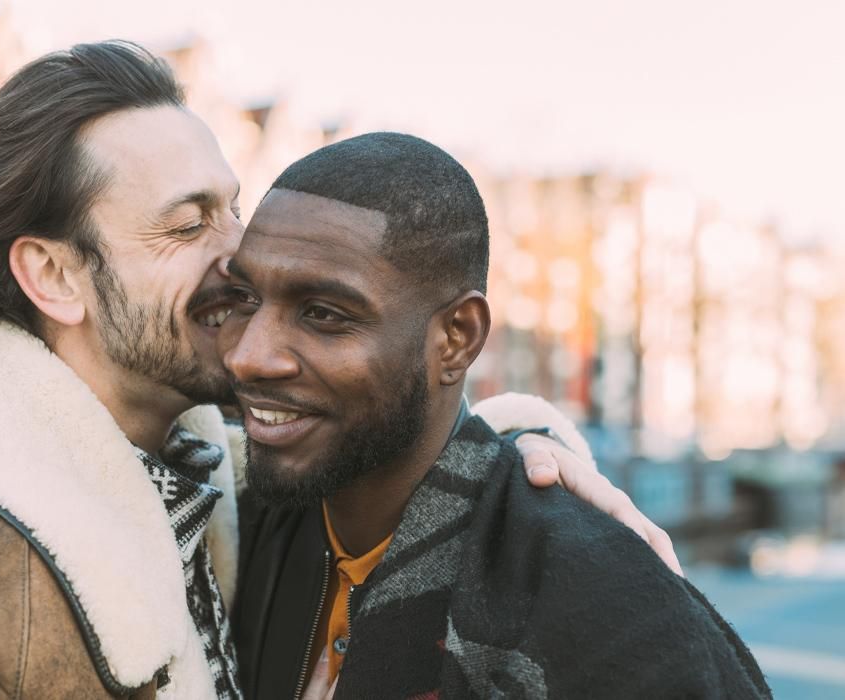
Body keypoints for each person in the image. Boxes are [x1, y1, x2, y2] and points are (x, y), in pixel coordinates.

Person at [0, 42, 674, 698]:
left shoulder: (205, 483)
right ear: (54, 277)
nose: (242, 256)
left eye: (232, 207)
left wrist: (516, 472)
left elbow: (378, 444)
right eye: (186, 226)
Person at [224, 132, 770, 699]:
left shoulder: (610, 612)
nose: (247, 355)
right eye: (243, 298)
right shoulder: (235, 525)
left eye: (323, 314)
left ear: (457, 339)